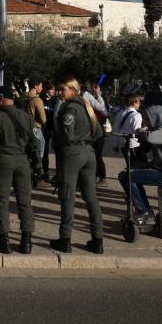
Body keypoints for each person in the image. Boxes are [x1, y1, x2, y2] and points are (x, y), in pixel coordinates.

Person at [50, 77, 104, 254]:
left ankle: (65, 239)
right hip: (89, 153)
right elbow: (98, 132)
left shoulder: (70, 109)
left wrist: (65, 146)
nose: (59, 92)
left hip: (72, 153)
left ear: (73, 90)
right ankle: (97, 240)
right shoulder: (85, 106)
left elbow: (66, 135)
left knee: (67, 197)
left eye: (62, 89)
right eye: (58, 89)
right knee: (91, 198)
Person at [0, 87, 36, 254]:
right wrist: (37, 165)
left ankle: (4, 240)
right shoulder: (26, 116)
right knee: (24, 202)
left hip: (4, 161)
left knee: (1, 201)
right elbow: (34, 143)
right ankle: (26, 241)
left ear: (1, 98)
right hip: (22, 161)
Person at [120, 105, 162, 222]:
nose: (145, 123)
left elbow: (149, 137)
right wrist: (137, 167)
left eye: (146, 119)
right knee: (130, 172)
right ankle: (144, 210)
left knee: (126, 177)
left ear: (156, 118)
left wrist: (139, 130)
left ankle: (144, 212)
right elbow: (159, 160)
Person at [18, 79, 48, 184]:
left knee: (28, 153)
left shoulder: (23, 98)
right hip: (35, 128)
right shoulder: (37, 100)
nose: (41, 88)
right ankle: (37, 176)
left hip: (24, 128)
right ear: (35, 86)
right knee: (38, 152)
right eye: (40, 86)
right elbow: (43, 118)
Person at [82, 81, 109, 185]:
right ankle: (97, 176)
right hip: (92, 131)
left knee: (97, 155)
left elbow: (104, 110)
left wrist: (98, 95)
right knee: (93, 155)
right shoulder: (90, 101)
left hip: (98, 131)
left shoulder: (98, 101)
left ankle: (102, 177)